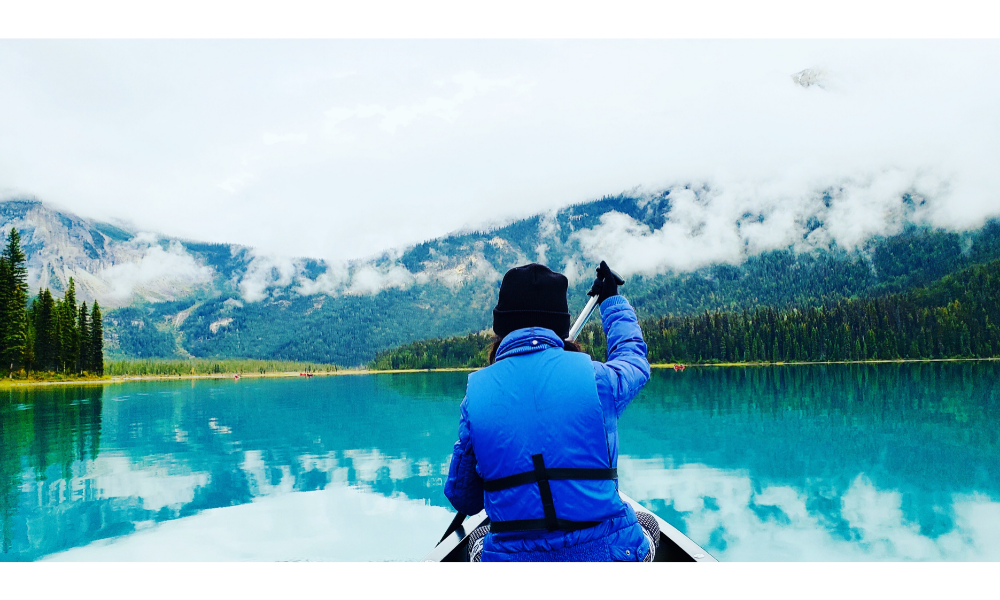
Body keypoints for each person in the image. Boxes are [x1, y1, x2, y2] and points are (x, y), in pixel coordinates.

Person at [444, 261, 658, 562]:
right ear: (560, 325)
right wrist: (611, 301)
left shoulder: (475, 395)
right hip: (607, 558)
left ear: (500, 328)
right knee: (647, 523)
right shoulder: (599, 381)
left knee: (480, 535)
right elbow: (633, 360)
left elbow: (464, 498)